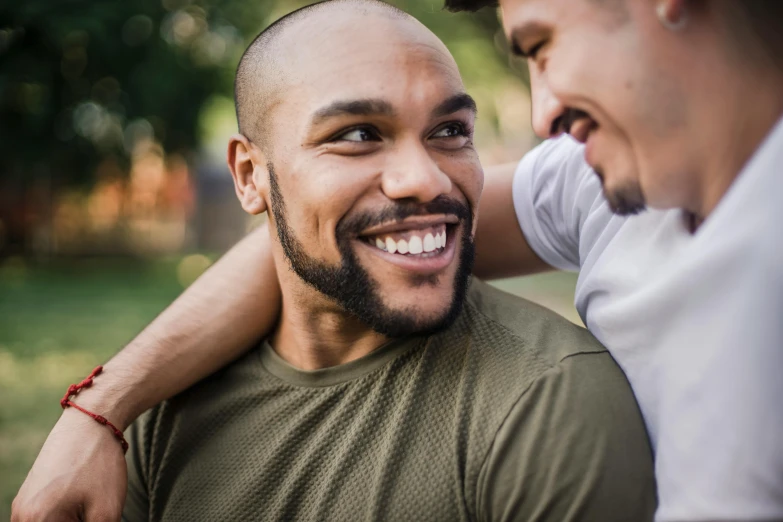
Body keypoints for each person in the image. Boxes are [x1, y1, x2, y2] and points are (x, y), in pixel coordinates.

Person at [12, 0, 783, 520]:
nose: (543, 110)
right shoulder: (599, 178)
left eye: (543, 46)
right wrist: (101, 409)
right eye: (356, 133)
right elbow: (328, 237)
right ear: (249, 174)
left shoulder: (545, 402)